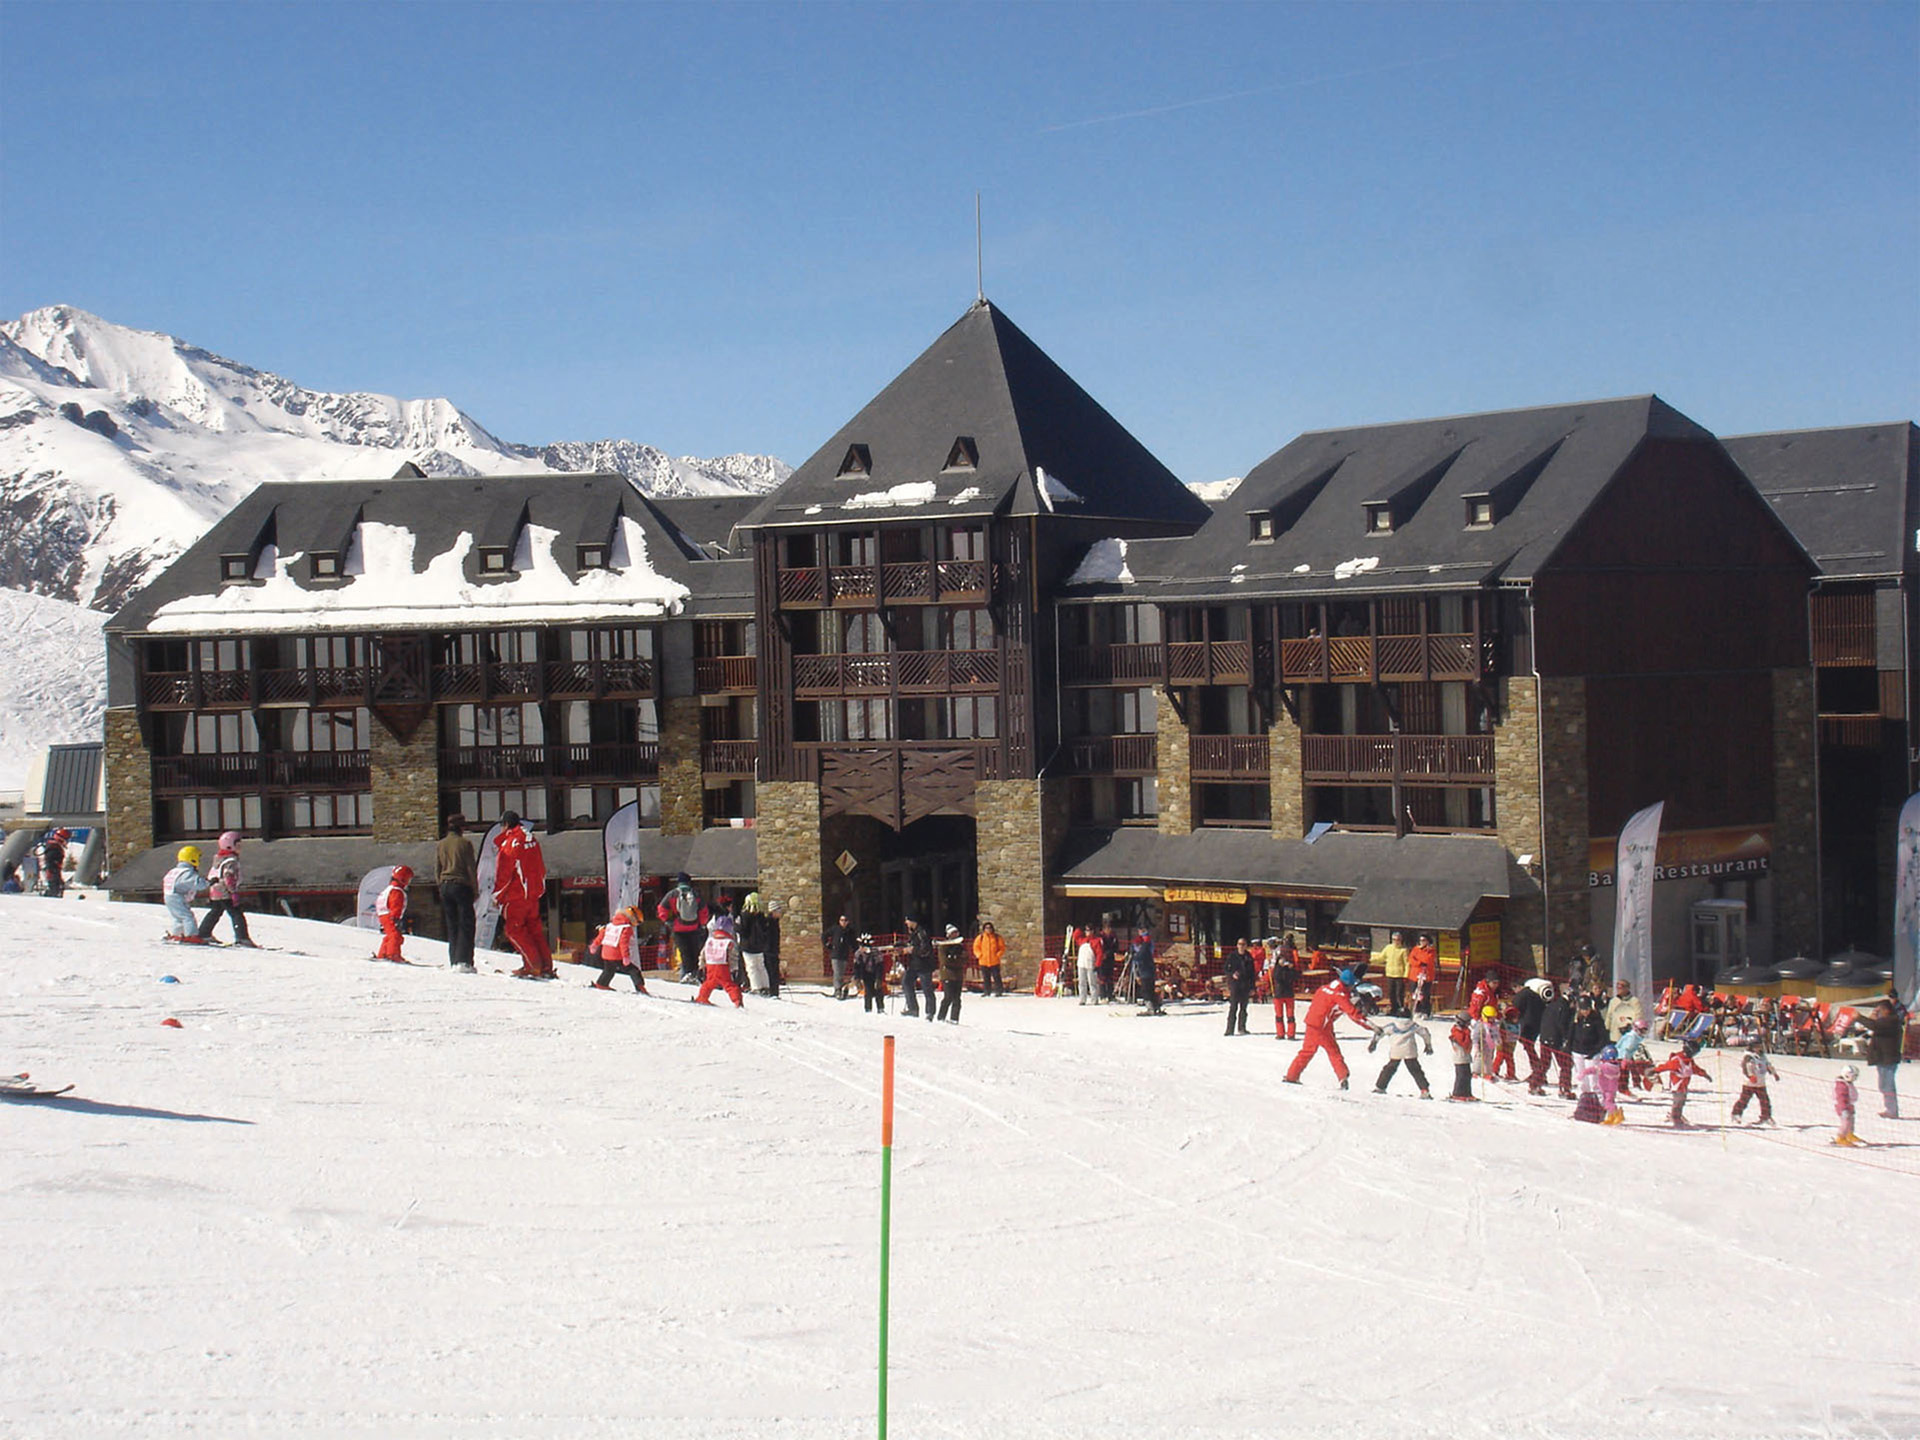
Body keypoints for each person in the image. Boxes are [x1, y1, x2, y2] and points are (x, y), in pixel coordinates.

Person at [1283, 969, 1380, 1088]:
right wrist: (1372, 1026)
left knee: (1314, 1051)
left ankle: (1292, 1075)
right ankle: (1342, 1077)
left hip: (1314, 1022)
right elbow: (1354, 1014)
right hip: (1320, 1026)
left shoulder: (1324, 988)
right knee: (1321, 1051)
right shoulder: (1339, 996)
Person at [492, 812, 552, 979]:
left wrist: (496, 896)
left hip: (516, 895)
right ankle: (546, 965)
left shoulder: (512, 843)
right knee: (534, 930)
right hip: (533, 893)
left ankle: (533, 965)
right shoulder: (531, 839)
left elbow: (504, 874)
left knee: (514, 930)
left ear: (505, 825)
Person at [195, 830, 254, 946]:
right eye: (238, 845)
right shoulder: (231, 861)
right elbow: (229, 876)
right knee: (236, 914)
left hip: (215, 891)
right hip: (225, 891)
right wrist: (233, 892)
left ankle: (204, 933)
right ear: (230, 845)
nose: (240, 848)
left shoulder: (218, 859)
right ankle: (242, 938)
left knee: (216, 911)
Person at [437, 814, 478, 972]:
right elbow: (470, 868)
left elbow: (437, 868)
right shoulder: (465, 843)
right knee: (466, 924)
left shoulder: (441, 844)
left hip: (445, 885)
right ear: (461, 828)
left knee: (452, 924)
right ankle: (464, 961)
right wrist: (475, 889)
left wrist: (440, 885)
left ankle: (454, 960)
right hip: (461, 885)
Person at [1854, 998, 1906, 1119]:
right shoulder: (1886, 1021)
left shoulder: (1891, 1021)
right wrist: (1872, 1017)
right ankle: (1889, 1108)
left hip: (1888, 1058)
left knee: (1888, 1085)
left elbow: (1875, 1026)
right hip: (1882, 1057)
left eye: (1879, 1010)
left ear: (1886, 1010)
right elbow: (1874, 1025)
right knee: (1883, 1085)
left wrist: (1859, 1017)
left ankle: (1892, 1111)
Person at [657, 872, 709, 983]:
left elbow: (661, 909)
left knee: (684, 953)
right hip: (694, 928)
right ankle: (695, 976)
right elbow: (704, 911)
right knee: (695, 953)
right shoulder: (696, 894)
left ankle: (685, 976)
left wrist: (668, 921)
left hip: (678, 929)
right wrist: (701, 924)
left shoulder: (672, 894)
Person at [1370, 1011, 1434, 1098]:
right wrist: (1428, 1045)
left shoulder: (1392, 1026)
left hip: (1396, 1051)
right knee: (1416, 1071)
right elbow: (1425, 1033)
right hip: (1410, 1050)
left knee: (1389, 1069)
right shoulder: (1413, 1025)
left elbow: (1380, 1032)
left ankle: (1380, 1087)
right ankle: (1424, 1090)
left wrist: (1374, 1043)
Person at [589, 906, 650, 993]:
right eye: (638, 922)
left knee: (609, 970)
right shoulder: (626, 928)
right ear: (633, 918)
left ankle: (601, 984)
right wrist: (625, 956)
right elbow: (623, 942)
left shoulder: (611, 924)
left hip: (605, 953)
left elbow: (601, 935)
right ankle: (640, 987)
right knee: (633, 970)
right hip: (616, 955)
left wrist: (595, 944)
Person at [1531, 984, 1575, 1099]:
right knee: (1566, 1064)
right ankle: (1564, 1089)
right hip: (1556, 1039)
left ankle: (1534, 1085)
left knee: (1544, 1063)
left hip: (1545, 1037)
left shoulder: (1552, 1005)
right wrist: (1566, 1038)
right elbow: (1562, 1024)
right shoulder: (1564, 1007)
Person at [1653, 1043, 1712, 1128]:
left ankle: (1677, 1115)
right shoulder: (1678, 1060)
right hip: (1676, 1085)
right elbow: (1666, 1066)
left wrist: (1705, 1075)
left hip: (1684, 1085)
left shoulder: (1689, 1060)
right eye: (1694, 1052)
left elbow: (1695, 1069)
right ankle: (1675, 1117)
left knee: (1681, 1101)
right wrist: (1655, 1070)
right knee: (1678, 1101)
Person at [693, 914, 745, 1007]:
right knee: (728, 984)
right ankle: (737, 1000)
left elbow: (703, 954)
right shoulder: (729, 942)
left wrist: (701, 965)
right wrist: (734, 968)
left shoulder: (710, 940)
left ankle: (702, 997)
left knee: (709, 983)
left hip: (710, 965)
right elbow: (733, 957)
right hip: (723, 966)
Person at [162, 845, 205, 941]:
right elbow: (196, 883)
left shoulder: (174, 871)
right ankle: (191, 935)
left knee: (178, 917)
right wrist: (208, 882)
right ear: (192, 858)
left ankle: (177, 934)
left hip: (168, 896)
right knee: (187, 916)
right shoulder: (186, 872)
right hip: (177, 897)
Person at [1731, 1043, 1778, 1125]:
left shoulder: (1762, 1056)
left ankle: (1766, 1116)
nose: (1758, 1048)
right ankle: (1736, 1114)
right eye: (1756, 1046)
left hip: (1760, 1083)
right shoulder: (1748, 1056)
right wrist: (1750, 1076)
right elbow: (1746, 1067)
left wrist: (1774, 1073)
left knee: (1765, 1101)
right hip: (1749, 1084)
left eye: (1759, 1046)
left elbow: (1768, 1065)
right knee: (1744, 1099)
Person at [736, 892, 774, 994]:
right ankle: (765, 986)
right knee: (761, 966)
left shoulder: (745, 915)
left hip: (748, 946)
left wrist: (736, 926)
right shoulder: (761, 916)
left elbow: (743, 931)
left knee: (751, 967)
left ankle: (756, 987)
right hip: (760, 946)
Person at [374, 865, 413, 963]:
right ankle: (392, 954)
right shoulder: (397, 891)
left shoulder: (390, 889)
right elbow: (396, 904)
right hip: (390, 915)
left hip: (384, 914)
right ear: (403, 879)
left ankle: (383, 954)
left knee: (390, 935)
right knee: (395, 935)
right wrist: (395, 918)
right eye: (408, 879)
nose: (409, 882)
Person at [901, 918, 936, 1022]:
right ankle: (912, 1008)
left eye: (907, 920)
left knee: (927, 988)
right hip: (914, 964)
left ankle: (930, 1012)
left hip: (924, 965)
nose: (906, 923)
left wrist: (912, 950)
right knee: (906, 982)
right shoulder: (914, 933)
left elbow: (925, 950)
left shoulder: (922, 933)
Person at [1223, 939, 1256, 1036]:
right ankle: (1230, 1029)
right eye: (1240, 944)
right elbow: (1225, 968)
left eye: (1243, 944)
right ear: (1237, 945)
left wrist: (1252, 987)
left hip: (1245, 985)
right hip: (1235, 985)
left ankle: (1242, 1027)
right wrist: (1232, 974)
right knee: (1233, 1007)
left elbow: (1252, 973)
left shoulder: (1248, 957)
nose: (1241, 946)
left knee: (1244, 1008)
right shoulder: (1232, 956)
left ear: (1246, 946)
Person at [1373, 930, 1410, 1015]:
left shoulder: (1403, 950)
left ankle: (1400, 1009)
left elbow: (1407, 963)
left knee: (1399, 993)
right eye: (1394, 939)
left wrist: (1406, 975)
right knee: (1391, 993)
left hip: (1399, 974)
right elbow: (1381, 957)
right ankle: (1393, 1009)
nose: (1396, 941)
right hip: (1390, 974)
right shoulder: (1388, 948)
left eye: (1398, 940)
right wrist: (1371, 960)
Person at [1270, 937, 1300, 1040]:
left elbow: (1295, 976)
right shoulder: (1279, 968)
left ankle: (1289, 1033)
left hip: (1285, 993)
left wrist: (1290, 969)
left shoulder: (1288, 967)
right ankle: (1281, 1033)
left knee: (1289, 1015)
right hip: (1281, 992)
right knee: (1280, 1015)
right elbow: (1276, 976)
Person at [936, 923, 967, 1024]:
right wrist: (956, 959)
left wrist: (958, 959)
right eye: (953, 933)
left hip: (958, 975)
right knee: (948, 997)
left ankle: (954, 1018)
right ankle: (941, 1017)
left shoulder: (960, 946)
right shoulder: (943, 946)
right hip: (947, 975)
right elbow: (944, 961)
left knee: (957, 999)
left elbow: (965, 958)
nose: (956, 934)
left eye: (956, 932)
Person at [1130, 928, 1164, 1015]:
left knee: (1146, 991)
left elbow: (1140, 956)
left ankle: (1150, 1008)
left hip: (1146, 971)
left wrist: (1133, 956)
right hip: (1148, 970)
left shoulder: (1145, 946)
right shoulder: (1147, 945)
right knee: (1150, 989)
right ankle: (1156, 1006)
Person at [1446, 1013, 1476, 1101]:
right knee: (1461, 1075)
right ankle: (1457, 1093)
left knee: (1467, 1075)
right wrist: (1467, 1034)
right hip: (1460, 1057)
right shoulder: (1457, 1032)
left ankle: (1467, 1093)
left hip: (1465, 1057)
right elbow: (1464, 1044)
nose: (1469, 1025)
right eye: (1468, 1022)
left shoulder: (1463, 1031)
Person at [853, 933, 886, 1013]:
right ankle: (868, 1008)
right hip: (866, 974)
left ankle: (880, 1008)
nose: (862, 948)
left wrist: (879, 978)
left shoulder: (876, 953)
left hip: (875, 973)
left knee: (878, 990)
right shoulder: (858, 954)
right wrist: (857, 978)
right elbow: (856, 967)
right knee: (868, 991)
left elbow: (880, 966)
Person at [973, 920, 1007, 996]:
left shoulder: (997, 937)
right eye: (986, 928)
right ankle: (987, 991)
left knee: (996, 977)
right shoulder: (980, 938)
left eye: (990, 928)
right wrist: (979, 955)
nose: (988, 929)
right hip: (983, 961)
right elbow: (976, 947)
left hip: (994, 961)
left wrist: (998, 955)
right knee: (986, 978)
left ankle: (999, 991)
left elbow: (1002, 948)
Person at [827, 914, 856, 1000]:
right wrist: (828, 945)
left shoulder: (849, 931)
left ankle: (841, 989)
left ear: (848, 922)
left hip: (844, 955)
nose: (843, 922)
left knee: (841, 973)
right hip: (835, 955)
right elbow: (824, 935)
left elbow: (853, 942)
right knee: (837, 972)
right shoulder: (835, 929)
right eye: (841, 920)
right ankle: (837, 989)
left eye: (845, 921)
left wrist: (856, 951)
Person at [1407, 934, 1437, 1017]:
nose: (1421, 942)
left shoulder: (1431, 950)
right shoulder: (1415, 949)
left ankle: (1425, 1011)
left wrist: (1418, 959)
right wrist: (1419, 963)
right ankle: (1417, 1010)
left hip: (1426, 975)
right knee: (1415, 993)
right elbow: (1411, 959)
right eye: (1420, 940)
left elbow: (1427, 960)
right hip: (1415, 975)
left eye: (1423, 940)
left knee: (1425, 994)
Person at [1834, 1064, 1862, 1146]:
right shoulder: (1841, 1085)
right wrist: (1844, 1108)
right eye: (1853, 1076)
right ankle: (1841, 1137)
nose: (1854, 1078)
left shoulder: (1848, 1083)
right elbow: (1841, 1097)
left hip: (1849, 1104)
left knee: (1851, 1120)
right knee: (1846, 1121)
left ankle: (1849, 1134)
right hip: (1843, 1106)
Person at [38, 828, 68, 898]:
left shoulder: (54, 846)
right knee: (54, 887)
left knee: (57, 886)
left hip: (54, 870)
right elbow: (50, 860)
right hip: (52, 870)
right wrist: (53, 869)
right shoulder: (54, 847)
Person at [1076, 928, 1100, 1006]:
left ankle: (1094, 999)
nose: (1087, 932)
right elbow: (1075, 935)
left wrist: (1097, 964)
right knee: (1081, 982)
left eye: (1089, 930)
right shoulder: (1082, 940)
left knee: (1092, 982)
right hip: (1081, 964)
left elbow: (1099, 953)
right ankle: (1082, 999)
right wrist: (1079, 928)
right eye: (1086, 931)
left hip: (1090, 964)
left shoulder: (1096, 941)